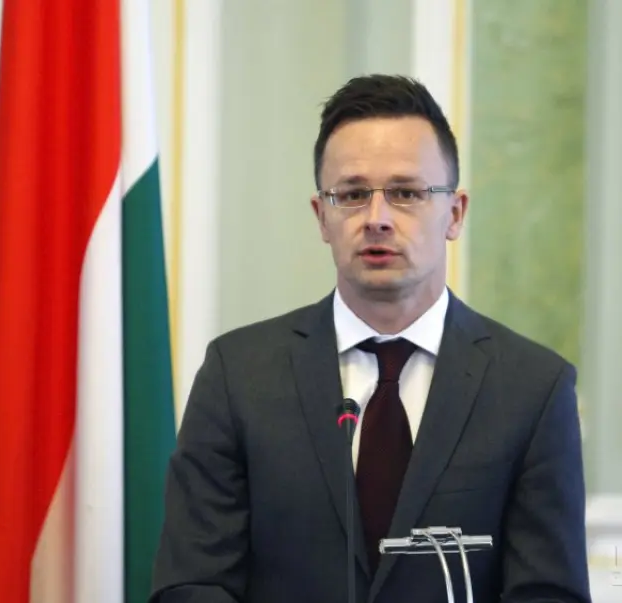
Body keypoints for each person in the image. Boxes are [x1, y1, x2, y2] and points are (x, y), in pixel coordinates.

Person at [149, 74, 591, 603]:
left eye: (406, 193)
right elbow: (193, 584)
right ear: (322, 217)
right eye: (353, 195)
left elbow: (548, 592)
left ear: (454, 213)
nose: (377, 219)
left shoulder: (533, 389)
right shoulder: (238, 375)